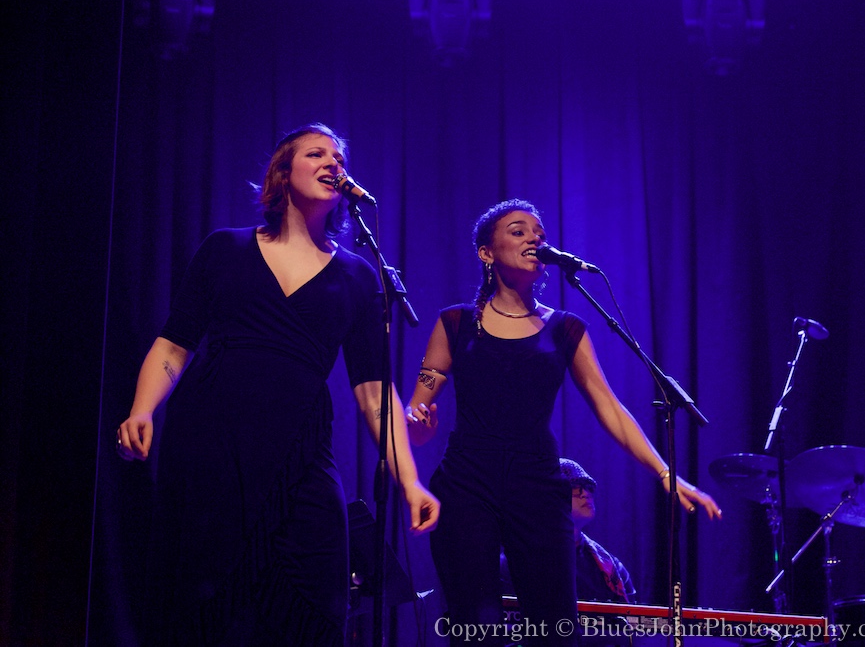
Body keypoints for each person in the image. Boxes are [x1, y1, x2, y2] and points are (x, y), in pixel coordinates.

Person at [116, 123, 439, 645]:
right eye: (316, 154)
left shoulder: (359, 276)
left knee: (314, 591)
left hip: (300, 447)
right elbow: (175, 344)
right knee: (208, 590)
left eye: (339, 158)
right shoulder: (225, 249)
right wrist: (142, 409)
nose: (333, 163)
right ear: (283, 174)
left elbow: (374, 392)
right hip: (213, 435)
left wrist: (410, 481)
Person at [404, 199, 721, 645]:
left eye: (539, 233)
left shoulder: (565, 328)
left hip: (537, 483)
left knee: (555, 628)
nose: (534, 238)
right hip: (466, 481)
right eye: (518, 231)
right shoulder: (455, 322)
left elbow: (610, 407)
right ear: (486, 253)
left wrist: (665, 472)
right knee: (477, 627)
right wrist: (419, 426)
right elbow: (416, 410)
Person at [501, 458, 636, 603]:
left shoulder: (613, 568)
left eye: (589, 488)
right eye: (575, 488)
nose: (586, 494)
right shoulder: (514, 563)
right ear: (547, 498)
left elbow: (632, 615)